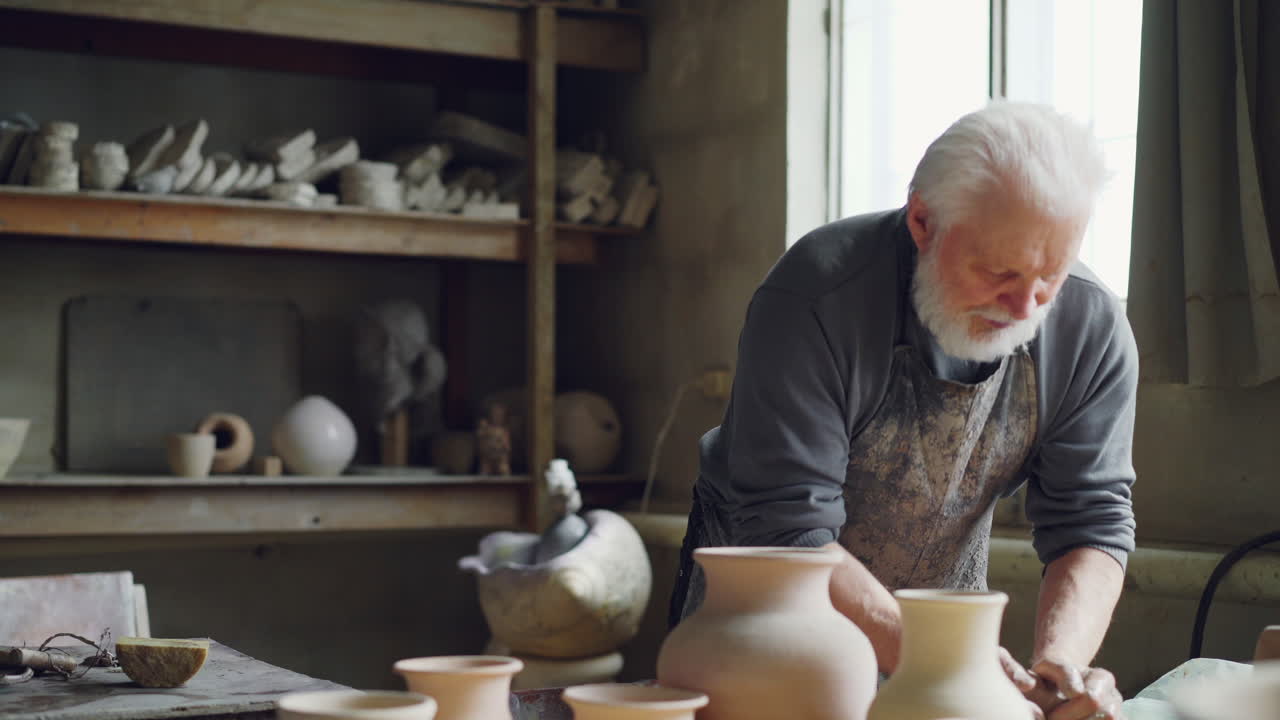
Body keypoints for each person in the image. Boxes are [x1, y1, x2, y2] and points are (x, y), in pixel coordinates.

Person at [669, 102, 1136, 720]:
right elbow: (790, 534)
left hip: (943, 644)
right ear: (923, 219)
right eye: (999, 271)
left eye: (1050, 274)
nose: (1026, 305)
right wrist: (948, 662)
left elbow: (1092, 522)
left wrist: (1062, 672)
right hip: (767, 636)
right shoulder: (816, 297)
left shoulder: (1090, 324)